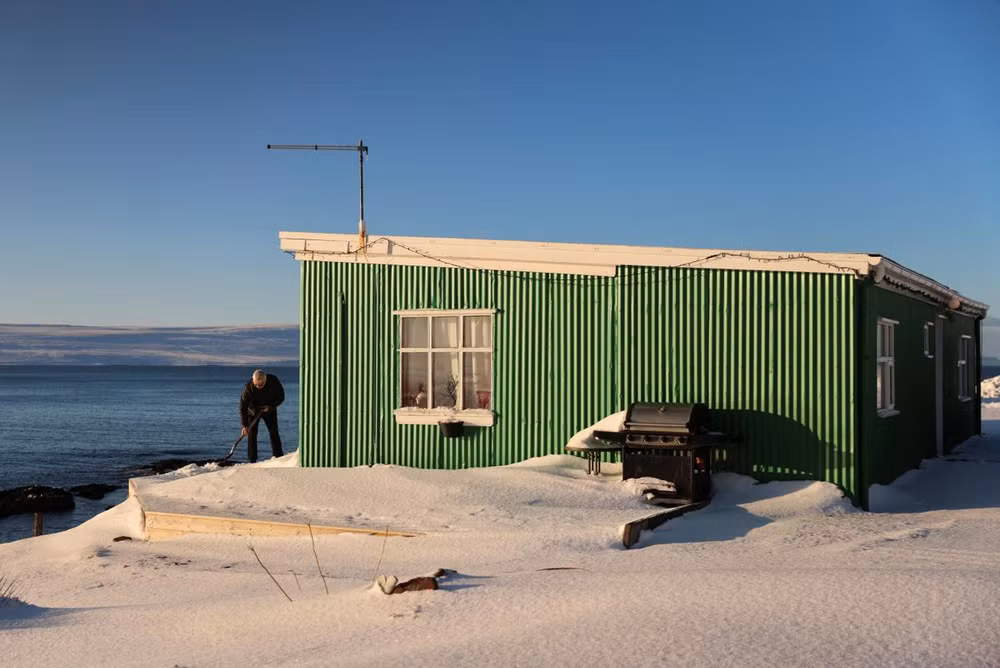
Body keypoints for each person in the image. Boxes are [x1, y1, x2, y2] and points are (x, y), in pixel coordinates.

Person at [239, 369, 285, 463]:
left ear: (265, 380)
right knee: (252, 434)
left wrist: (271, 406)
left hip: (269, 409)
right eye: (256, 385)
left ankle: (278, 456)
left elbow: (281, 397)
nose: (258, 387)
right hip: (253, 412)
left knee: (274, 432)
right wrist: (244, 425)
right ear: (253, 380)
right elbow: (243, 407)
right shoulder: (248, 388)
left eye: (261, 385)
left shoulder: (273, 381)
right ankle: (252, 460)